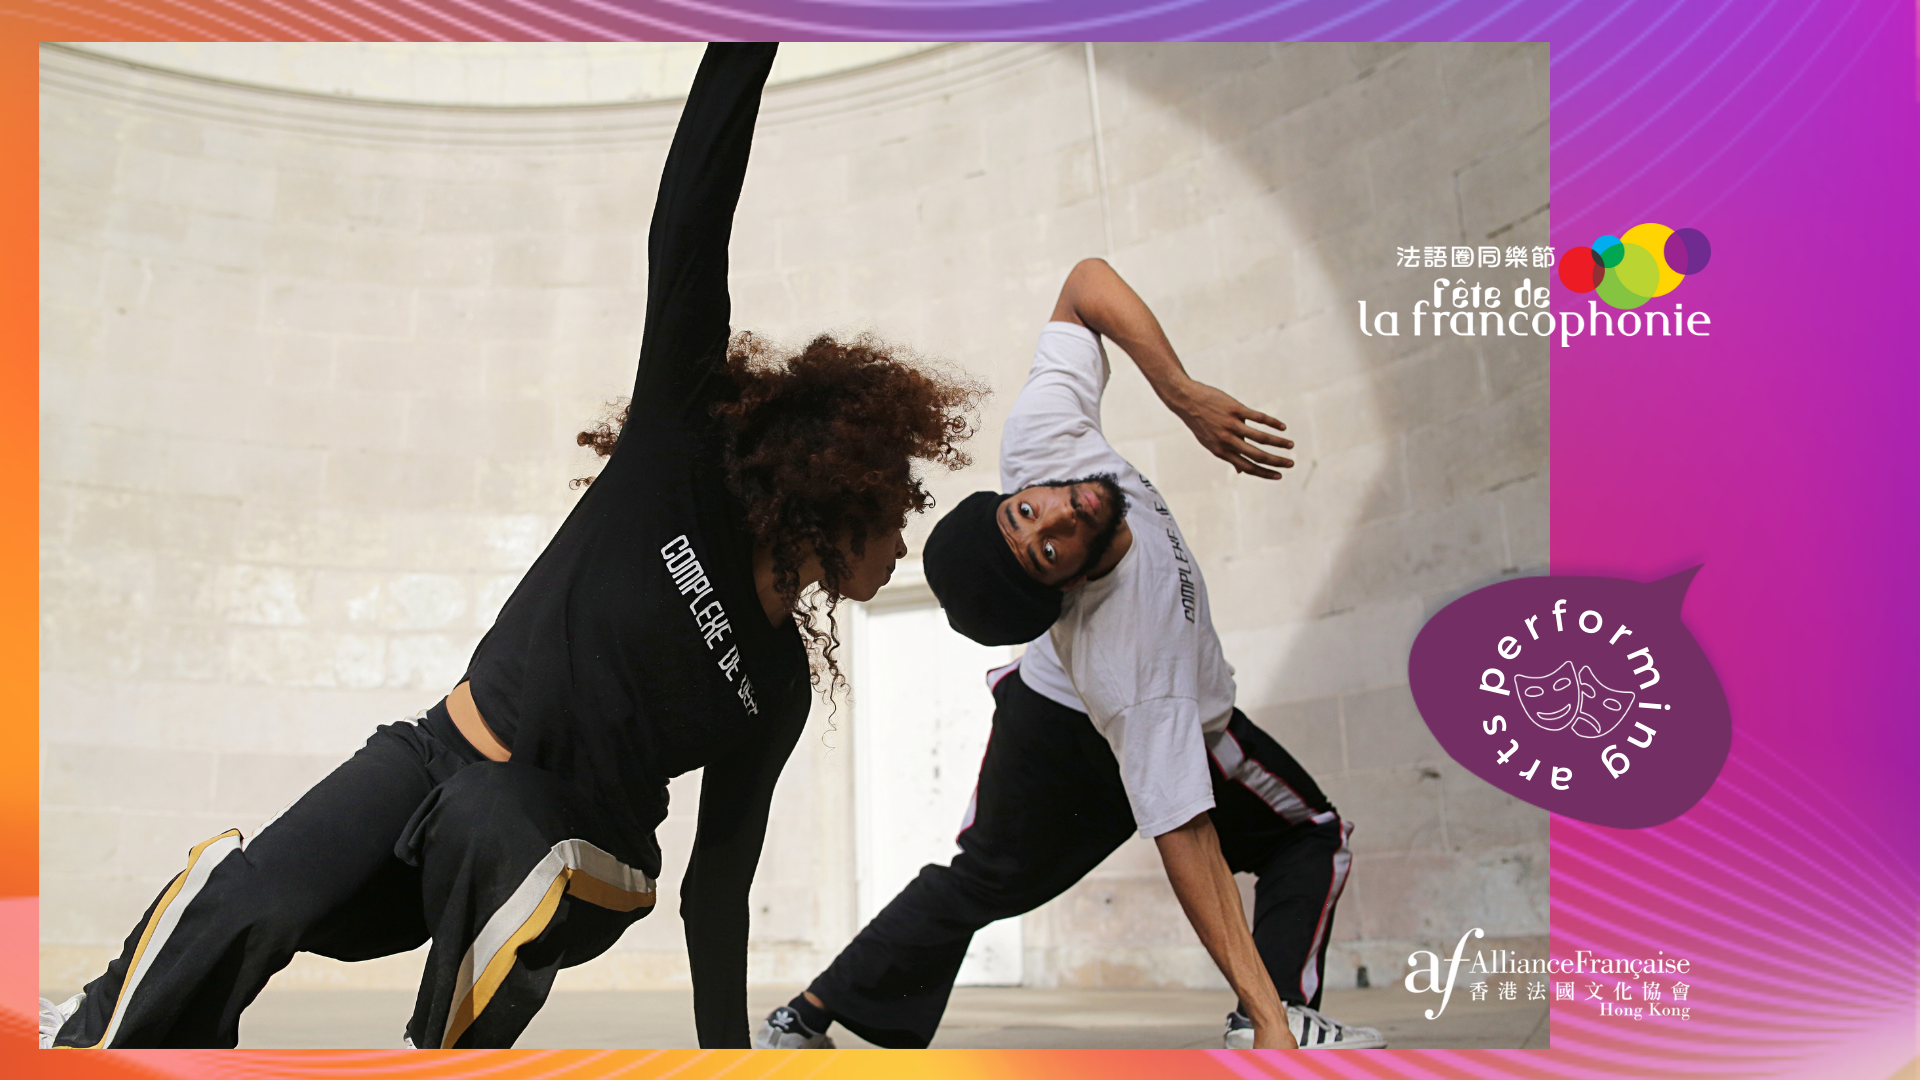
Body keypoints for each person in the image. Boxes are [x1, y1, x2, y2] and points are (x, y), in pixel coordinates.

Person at [43, 43, 981, 1051]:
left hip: (582, 854)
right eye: (894, 513)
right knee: (255, 898)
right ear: (835, 495)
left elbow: (718, 882)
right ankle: (93, 1043)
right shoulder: (679, 454)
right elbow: (690, 221)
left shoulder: (777, 683)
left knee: (495, 814)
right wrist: (744, 41)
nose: (901, 541)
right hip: (434, 762)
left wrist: (730, 1063)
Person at [754, 258, 1386, 1051]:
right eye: (1047, 552)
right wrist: (1267, 1028)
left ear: (1012, 494)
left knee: (984, 877)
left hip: (1049, 707)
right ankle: (1278, 1011)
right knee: (1309, 832)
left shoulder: (1042, 442)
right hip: (1084, 731)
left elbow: (1086, 284)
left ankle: (806, 1014)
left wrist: (1182, 393)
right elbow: (1185, 838)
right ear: (1067, 587)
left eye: (1025, 513)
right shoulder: (1134, 665)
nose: (1058, 515)